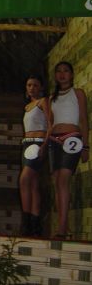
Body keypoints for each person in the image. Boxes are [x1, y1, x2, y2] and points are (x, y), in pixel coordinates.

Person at [47, 61, 89, 238]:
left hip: (72, 138)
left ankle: (62, 229)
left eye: (66, 71)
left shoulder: (78, 93)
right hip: (54, 141)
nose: (62, 74)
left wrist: (86, 146)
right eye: (59, 71)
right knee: (57, 182)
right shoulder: (51, 98)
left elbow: (84, 120)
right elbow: (50, 123)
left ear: (71, 75)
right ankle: (64, 226)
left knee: (63, 179)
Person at [19, 75, 49, 236]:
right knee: (33, 184)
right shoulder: (27, 107)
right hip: (26, 144)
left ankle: (26, 223)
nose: (32, 88)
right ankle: (34, 225)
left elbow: (51, 124)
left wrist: (45, 144)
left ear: (41, 87)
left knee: (24, 179)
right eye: (29, 85)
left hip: (38, 143)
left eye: (35, 85)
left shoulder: (43, 102)